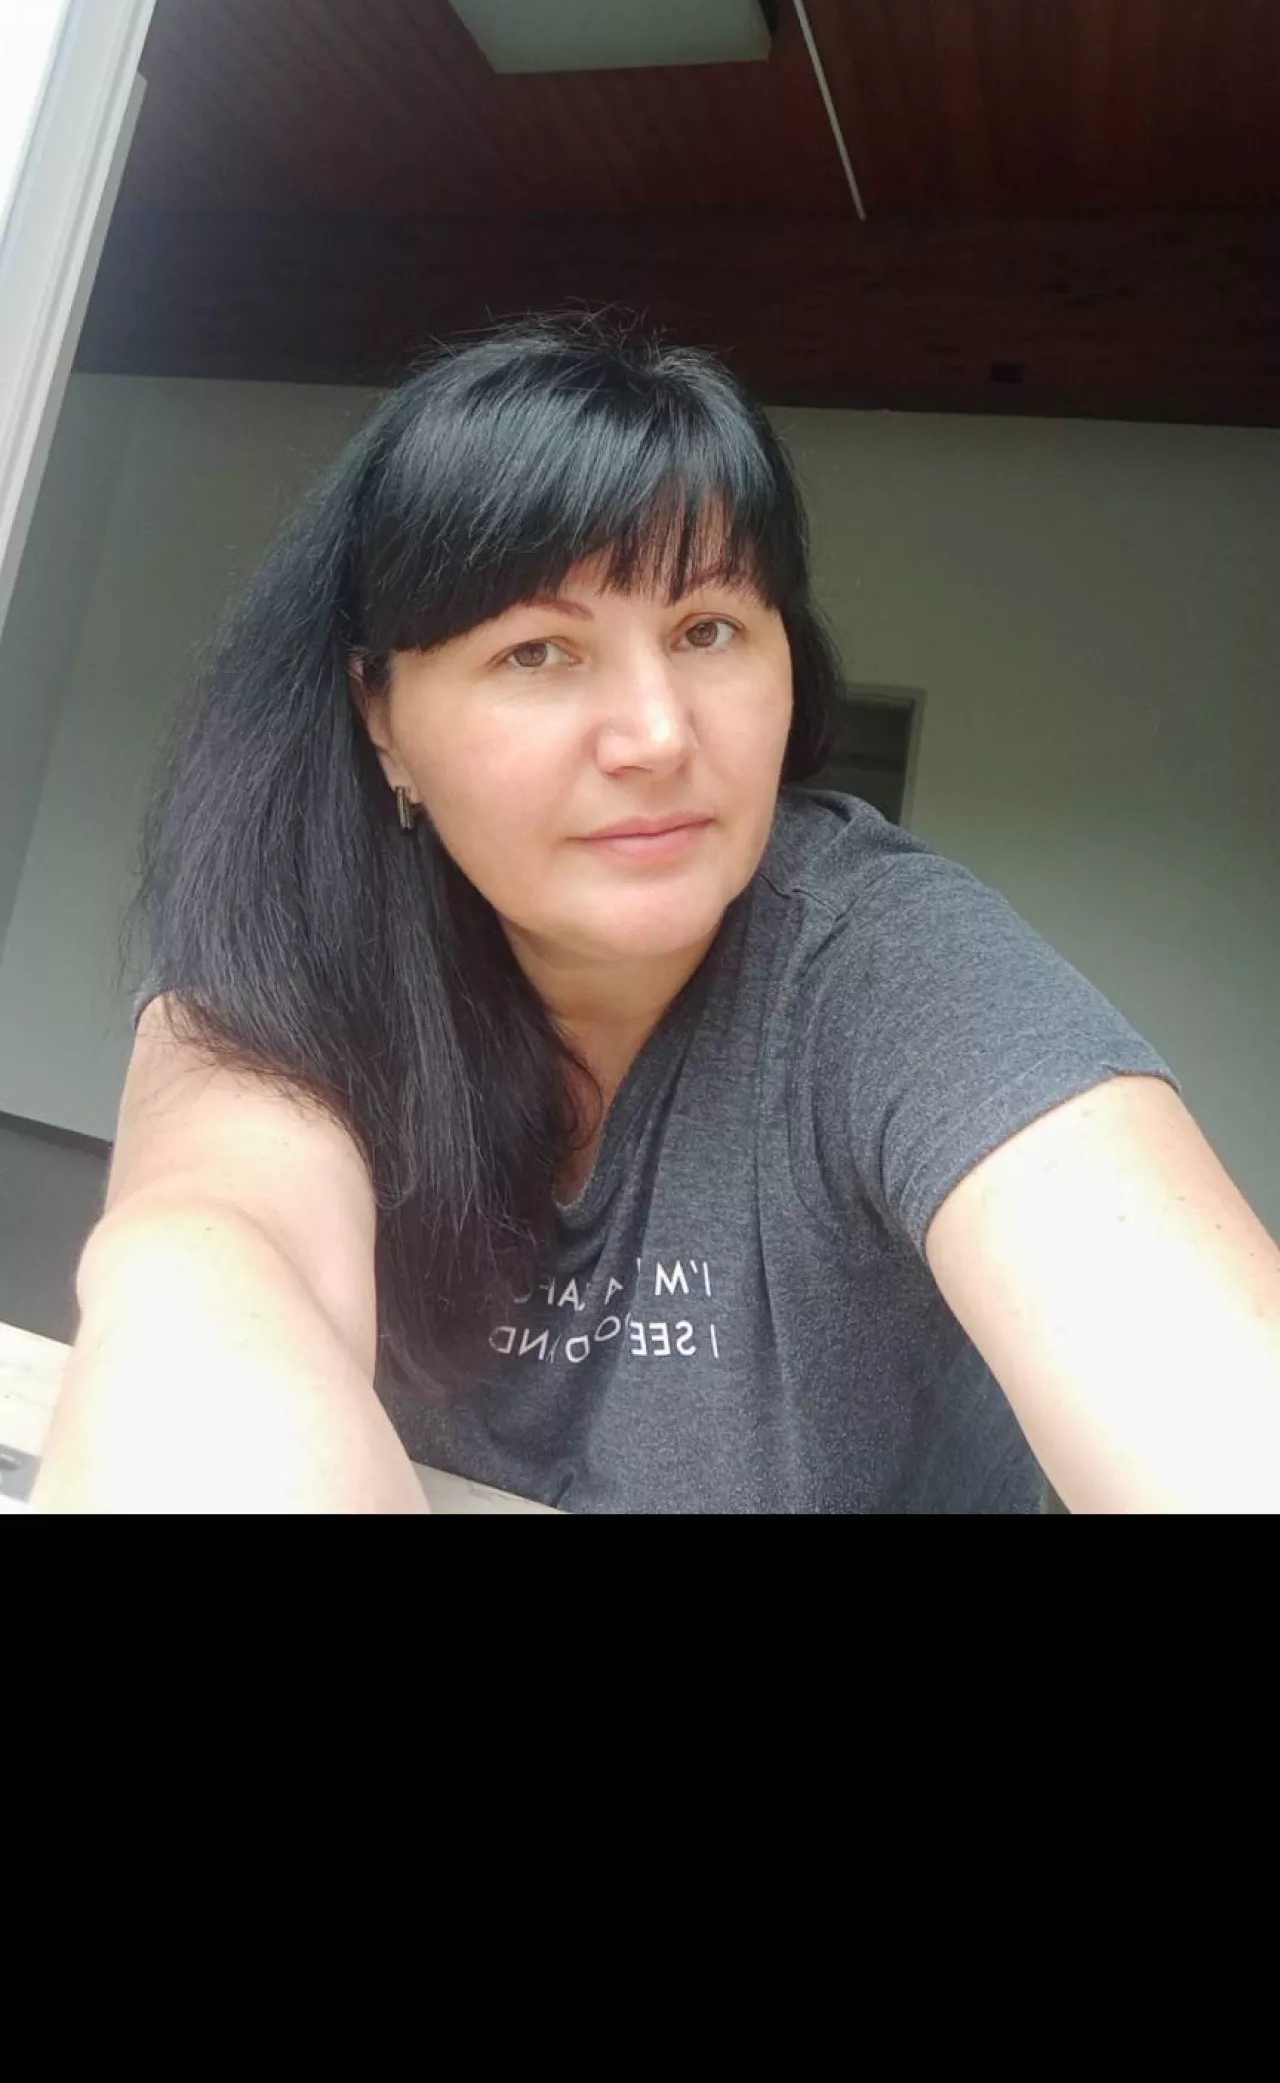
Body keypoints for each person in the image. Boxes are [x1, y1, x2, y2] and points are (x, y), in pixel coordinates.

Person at [32, 313, 1280, 1513]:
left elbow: (1194, 1372)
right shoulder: (291, 954)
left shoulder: (888, 966)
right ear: (382, 719)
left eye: (707, 629)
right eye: (535, 651)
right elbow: (210, 1268)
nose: (656, 735)